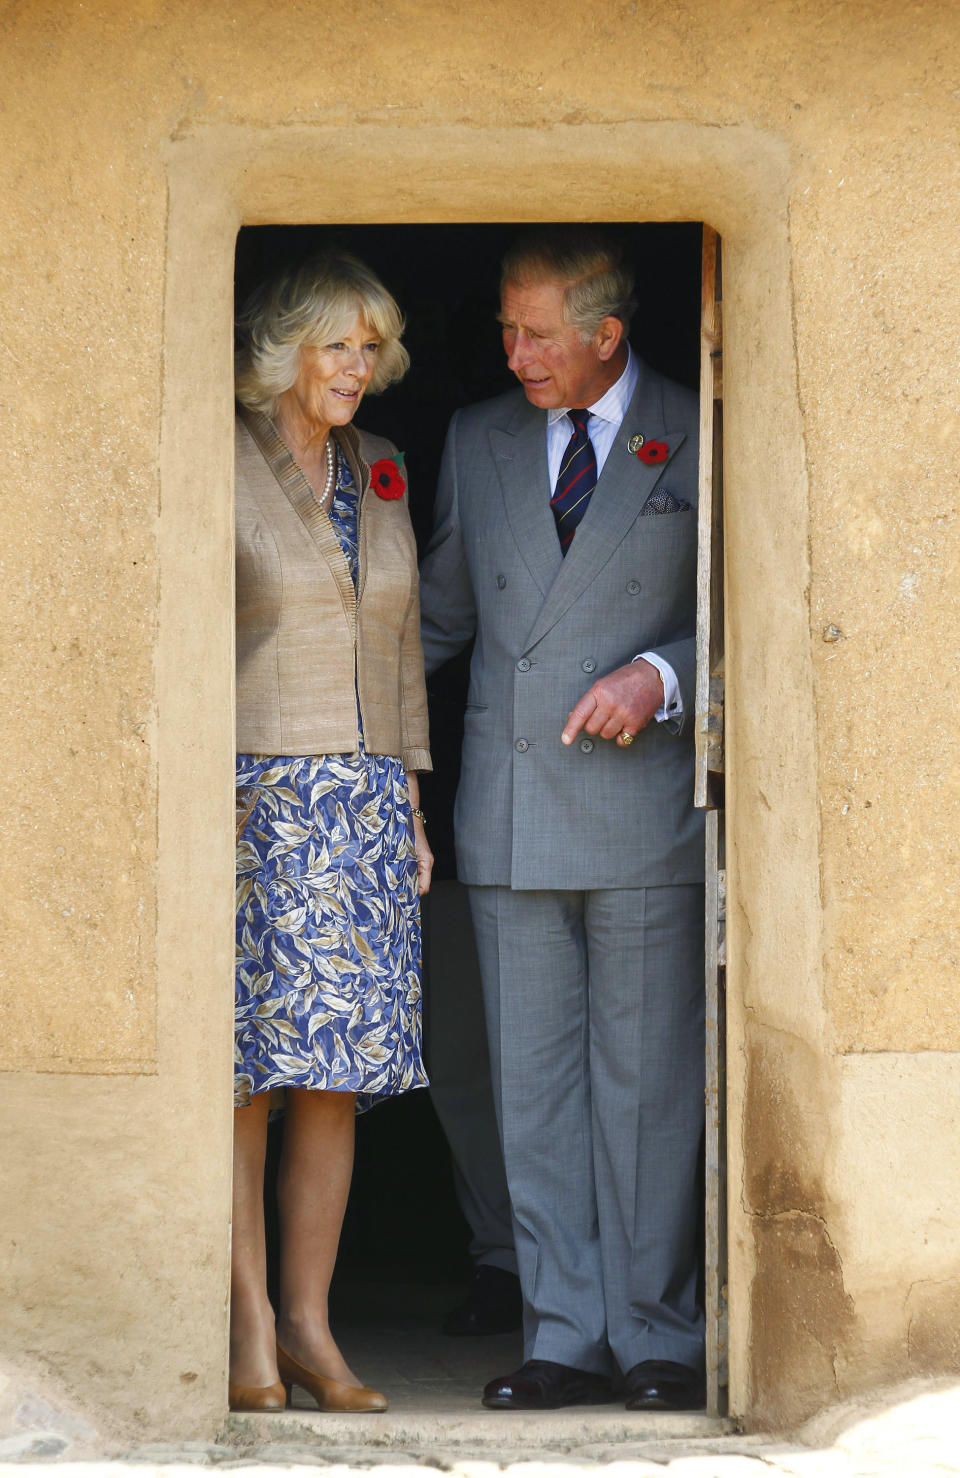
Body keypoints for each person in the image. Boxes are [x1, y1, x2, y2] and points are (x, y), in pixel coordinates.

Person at [419, 227, 705, 1412]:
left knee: (644, 1087)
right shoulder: (477, 436)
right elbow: (433, 616)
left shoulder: (697, 423)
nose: (514, 351)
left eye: (537, 332)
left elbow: (759, 611)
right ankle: (563, 1328)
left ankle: (655, 1335)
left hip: (645, 808)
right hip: (513, 802)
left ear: (607, 335)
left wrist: (664, 673)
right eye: (505, 326)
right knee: (529, 1087)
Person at [230, 251, 433, 1415]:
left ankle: (310, 1321)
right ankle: (247, 1315)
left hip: (358, 811)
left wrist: (409, 805)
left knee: (335, 1077)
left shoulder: (387, 467)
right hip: (253, 798)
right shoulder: (217, 457)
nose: (358, 367)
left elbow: (400, 648)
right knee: (245, 1073)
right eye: (335, 344)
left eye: (371, 346)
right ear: (283, 352)